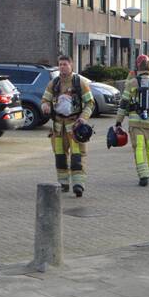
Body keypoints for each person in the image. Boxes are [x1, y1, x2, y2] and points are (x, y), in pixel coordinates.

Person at [41, 55, 94, 197]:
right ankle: (63, 183)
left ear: (71, 65)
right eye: (60, 64)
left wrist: (83, 118)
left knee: (77, 157)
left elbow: (90, 103)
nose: (62, 67)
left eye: (65, 64)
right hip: (58, 127)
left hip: (75, 127)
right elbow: (45, 99)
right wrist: (45, 106)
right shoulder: (54, 83)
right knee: (60, 156)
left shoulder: (80, 82)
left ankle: (78, 185)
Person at [114, 54, 149, 186]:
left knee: (138, 147)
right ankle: (148, 170)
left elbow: (123, 103)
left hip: (135, 122)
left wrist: (118, 121)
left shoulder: (132, 82)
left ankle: (143, 175)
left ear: (138, 67)